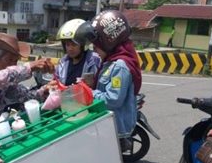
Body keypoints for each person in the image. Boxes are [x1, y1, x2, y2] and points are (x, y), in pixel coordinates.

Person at [75, 10, 142, 150]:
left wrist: (87, 92)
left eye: (96, 45)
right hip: (107, 125)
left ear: (109, 42)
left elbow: (113, 99)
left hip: (115, 130)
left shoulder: (120, 67)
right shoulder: (109, 62)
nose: (94, 50)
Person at [34, 19, 100, 88]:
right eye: (67, 45)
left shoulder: (93, 61)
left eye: (74, 45)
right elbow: (56, 81)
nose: (70, 48)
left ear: (82, 44)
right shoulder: (63, 62)